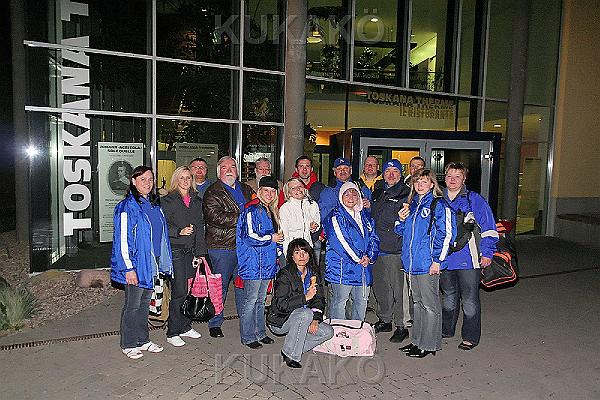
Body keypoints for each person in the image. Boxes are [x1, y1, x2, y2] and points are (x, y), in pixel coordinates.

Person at [111, 165, 173, 360]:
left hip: (152, 262)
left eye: (150, 179)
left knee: (145, 303)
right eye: (143, 179)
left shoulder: (153, 204)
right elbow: (122, 241)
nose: (148, 183)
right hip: (137, 264)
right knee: (133, 304)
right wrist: (128, 268)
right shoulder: (126, 207)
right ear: (133, 181)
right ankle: (128, 343)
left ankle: (142, 339)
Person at [395, 169, 455, 358]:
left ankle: (428, 345)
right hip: (412, 263)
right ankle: (417, 341)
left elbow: (446, 234)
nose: (420, 185)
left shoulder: (438, 204)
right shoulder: (413, 205)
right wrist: (401, 219)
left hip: (427, 263)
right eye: (417, 181)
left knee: (429, 306)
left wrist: (437, 260)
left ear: (432, 184)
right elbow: (401, 232)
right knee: (418, 304)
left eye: (424, 181)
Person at [441, 162, 498, 351]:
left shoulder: (474, 200)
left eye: (457, 176)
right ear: (444, 177)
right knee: (449, 296)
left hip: (469, 259)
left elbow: (489, 227)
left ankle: (470, 337)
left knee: (469, 299)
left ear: (464, 179)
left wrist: (487, 253)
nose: (453, 180)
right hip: (444, 259)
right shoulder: (438, 199)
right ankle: (446, 329)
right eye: (449, 176)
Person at [203, 156, 254, 338]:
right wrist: (244, 217)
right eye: (225, 167)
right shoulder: (212, 192)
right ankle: (215, 322)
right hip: (222, 247)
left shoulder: (246, 189)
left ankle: (246, 320)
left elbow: (256, 207)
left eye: (233, 166)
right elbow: (215, 216)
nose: (229, 170)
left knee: (243, 286)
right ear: (219, 172)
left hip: (245, 247)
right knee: (219, 287)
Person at [267, 238, 334, 368]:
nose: (301, 256)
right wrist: (305, 297)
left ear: (310, 255)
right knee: (305, 313)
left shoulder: (313, 273)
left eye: (305, 252)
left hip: (305, 317)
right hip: (281, 320)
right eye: (297, 253)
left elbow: (319, 299)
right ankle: (291, 355)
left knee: (327, 332)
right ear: (292, 256)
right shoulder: (285, 275)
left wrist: (316, 319)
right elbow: (281, 305)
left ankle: (291, 347)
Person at [161, 166, 208, 347]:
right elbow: (162, 225)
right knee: (179, 291)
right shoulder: (168, 200)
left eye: (188, 177)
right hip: (176, 250)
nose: (186, 181)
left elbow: (200, 228)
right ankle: (173, 331)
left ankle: (185, 326)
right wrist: (178, 231)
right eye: (182, 177)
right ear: (176, 180)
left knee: (189, 290)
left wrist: (201, 253)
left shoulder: (196, 200)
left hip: (191, 251)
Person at [236, 176, 282, 349]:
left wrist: (277, 250)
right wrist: (271, 238)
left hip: (267, 263)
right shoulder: (252, 210)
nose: (269, 194)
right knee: (250, 300)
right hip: (253, 263)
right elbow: (249, 236)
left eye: (273, 191)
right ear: (259, 191)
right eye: (266, 191)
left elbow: (276, 238)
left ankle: (260, 333)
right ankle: (248, 336)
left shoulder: (272, 211)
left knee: (261, 300)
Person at [323, 182, 379, 321]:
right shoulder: (335, 216)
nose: (351, 197)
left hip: (363, 267)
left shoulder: (365, 216)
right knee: (340, 302)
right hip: (342, 268)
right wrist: (359, 258)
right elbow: (340, 241)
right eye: (346, 194)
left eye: (354, 194)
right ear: (341, 197)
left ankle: (357, 330)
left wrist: (370, 257)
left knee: (361, 301)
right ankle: (338, 331)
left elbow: (374, 237)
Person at [370, 159, 411, 343]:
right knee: (381, 287)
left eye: (395, 171)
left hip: (396, 249)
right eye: (388, 171)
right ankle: (385, 319)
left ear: (401, 174)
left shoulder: (406, 193)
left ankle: (402, 325)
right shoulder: (378, 191)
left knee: (399, 290)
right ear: (383, 174)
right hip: (377, 248)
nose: (391, 174)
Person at [289, 155, 327, 265]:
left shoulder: (319, 187)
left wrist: (322, 233)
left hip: (315, 237)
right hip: (294, 237)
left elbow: (325, 211)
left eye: (307, 166)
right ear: (296, 169)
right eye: (301, 166)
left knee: (313, 268)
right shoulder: (289, 186)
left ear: (312, 169)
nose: (304, 169)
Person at [319, 157, 371, 223]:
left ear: (351, 170)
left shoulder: (361, 187)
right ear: (334, 172)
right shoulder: (328, 192)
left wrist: (369, 207)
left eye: (345, 168)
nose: (342, 171)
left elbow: (375, 212)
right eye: (339, 169)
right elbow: (323, 217)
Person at [279, 177, 320, 256]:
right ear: (289, 193)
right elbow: (285, 234)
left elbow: (316, 223)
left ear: (304, 188)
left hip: (307, 247)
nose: (298, 189)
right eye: (293, 188)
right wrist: (288, 254)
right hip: (292, 248)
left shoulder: (312, 204)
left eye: (300, 186)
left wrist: (314, 226)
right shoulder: (285, 208)